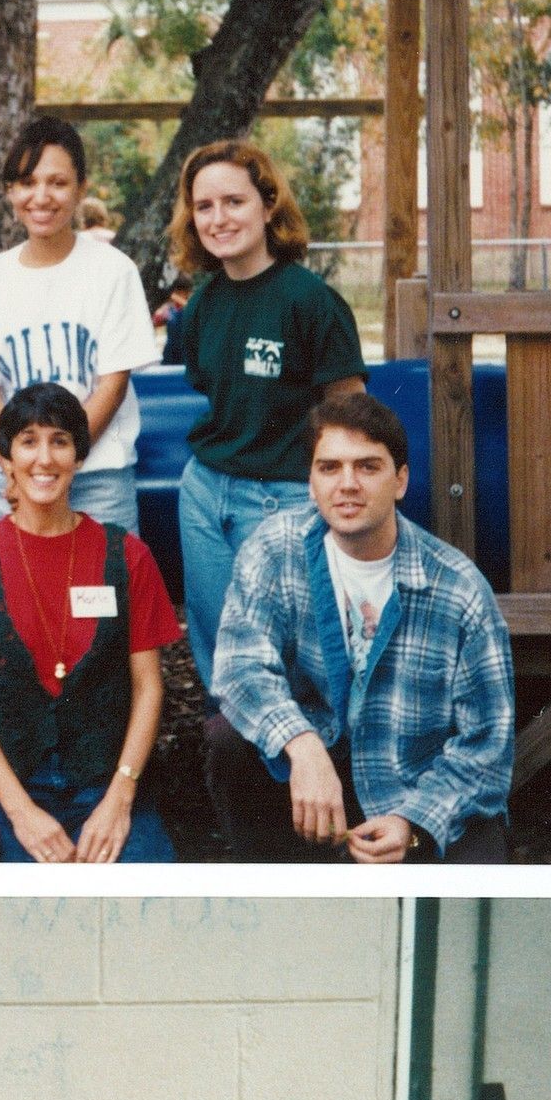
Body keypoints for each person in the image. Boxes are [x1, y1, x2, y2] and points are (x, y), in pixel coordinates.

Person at [205, 393, 514, 862]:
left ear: (401, 480)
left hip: (411, 783)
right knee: (228, 738)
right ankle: (278, 883)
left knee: (476, 877)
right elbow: (239, 667)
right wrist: (302, 746)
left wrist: (414, 823)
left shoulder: (458, 588)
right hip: (318, 776)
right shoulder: (275, 548)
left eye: (368, 467)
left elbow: (488, 743)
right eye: (330, 468)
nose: (346, 484)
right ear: (310, 482)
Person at [0, 381, 179, 863]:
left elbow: (149, 687)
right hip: (12, 787)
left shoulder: (127, 555)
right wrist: (21, 813)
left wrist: (119, 799)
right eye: (28, 441)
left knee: (149, 895)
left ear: (79, 457)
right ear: (6, 457)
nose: (44, 459)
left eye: (60, 441)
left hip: (106, 784)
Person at [171, 137, 367, 693]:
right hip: (205, 492)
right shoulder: (202, 305)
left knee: (289, 651)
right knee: (217, 642)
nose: (218, 218)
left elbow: (350, 414)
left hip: (283, 496)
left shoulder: (309, 300)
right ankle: (227, 759)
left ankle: (302, 767)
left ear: (268, 205)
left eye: (233, 201)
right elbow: (216, 393)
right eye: (204, 207)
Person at [0, 114, 160, 532]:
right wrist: (15, 466)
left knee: (101, 597)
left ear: (81, 188)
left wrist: (60, 461)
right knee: (2, 595)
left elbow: (112, 384)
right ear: (10, 190)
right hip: (10, 479)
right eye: (27, 182)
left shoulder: (113, 271)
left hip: (97, 479)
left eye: (57, 183)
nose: (41, 197)